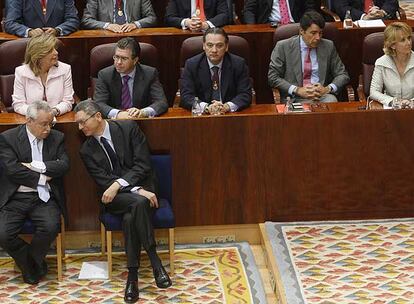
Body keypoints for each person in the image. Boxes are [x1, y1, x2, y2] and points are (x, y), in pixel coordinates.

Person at [74, 100, 172, 303]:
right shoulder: (86, 150)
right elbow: (103, 182)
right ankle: (155, 262)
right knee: (138, 203)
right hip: (115, 198)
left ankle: (132, 277)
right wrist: (137, 191)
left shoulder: (128, 128)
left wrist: (124, 186)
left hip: (138, 189)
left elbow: (142, 164)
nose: (80, 127)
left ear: (98, 116)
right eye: (78, 124)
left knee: (131, 215)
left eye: (83, 122)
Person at [0, 101, 69, 285]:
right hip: (16, 197)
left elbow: (63, 165)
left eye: (50, 123)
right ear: (29, 121)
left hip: (43, 197)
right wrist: (42, 177)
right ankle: (32, 263)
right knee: (3, 234)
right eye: (43, 124)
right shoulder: (9, 138)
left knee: (51, 226)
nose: (48, 129)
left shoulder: (57, 137)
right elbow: (13, 170)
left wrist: (34, 166)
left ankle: (29, 264)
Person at [268, 11, 350, 103]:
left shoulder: (328, 46)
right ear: (302, 31)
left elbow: (342, 75)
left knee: (331, 101)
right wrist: (297, 90)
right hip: (294, 97)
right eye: (313, 33)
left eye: (320, 33)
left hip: (321, 96)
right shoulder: (283, 47)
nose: (318, 37)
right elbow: (273, 77)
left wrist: (327, 89)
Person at [180, 27, 251, 114]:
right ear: (204, 46)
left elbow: (245, 94)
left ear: (226, 47)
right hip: (202, 116)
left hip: (229, 115)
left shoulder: (238, 64)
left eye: (219, 45)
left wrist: (227, 106)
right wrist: (206, 107)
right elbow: (186, 96)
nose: (214, 50)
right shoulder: (192, 65)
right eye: (210, 45)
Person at [94, 37, 168, 119]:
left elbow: (161, 102)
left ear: (135, 60)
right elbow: (99, 103)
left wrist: (143, 112)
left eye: (124, 58)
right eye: (116, 57)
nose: (118, 62)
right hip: (115, 123)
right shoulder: (105, 75)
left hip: (141, 122)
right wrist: (118, 114)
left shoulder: (150, 74)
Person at [12, 34, 74, 116]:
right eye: (50, 50)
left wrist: (54, 111)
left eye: (55, 49)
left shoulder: (65, 69)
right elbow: (18, 105)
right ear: (38, 55)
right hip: (31, 120)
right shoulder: (21, 72)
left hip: (57, 119)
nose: (56, 52)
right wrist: (37, 115)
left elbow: (68, 101)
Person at [370, 22, 414, 107]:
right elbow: (374, 92)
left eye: (409, 38)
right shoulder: (382, 63)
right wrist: (392, 101)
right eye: (403, 40)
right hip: (392, 109)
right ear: (393, 45)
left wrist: (412, 102)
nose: (408, 43)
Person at [4, 0, 79, 37]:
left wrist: (57, 30)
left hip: (57, 44)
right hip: (29, 47)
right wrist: (29, 32)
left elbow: (73, 20)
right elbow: (10, 23)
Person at [81, 0, 157, 32]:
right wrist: (107, 26)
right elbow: (86, 20)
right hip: (106, 39)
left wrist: (135, 25)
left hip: (133, 38)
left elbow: (151, 18)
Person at [243, 0, 317, 25]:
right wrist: (252, 28)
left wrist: (305, 24)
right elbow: (249, 10)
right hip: (269, 27)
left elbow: (310, 8)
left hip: (296, 26)